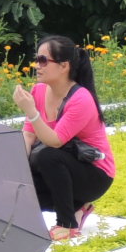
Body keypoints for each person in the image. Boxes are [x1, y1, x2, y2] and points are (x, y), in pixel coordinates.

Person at [12, 35, 116, 241]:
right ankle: (78, 206)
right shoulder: (39, 90)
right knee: (19, 190)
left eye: (43, 60)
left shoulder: (81, 98)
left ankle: (67, 224)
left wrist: (31, 111)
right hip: (65, 167)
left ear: (63, 66)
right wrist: (18, 173)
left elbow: (55, 141)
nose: (36, 66)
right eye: (36, 59)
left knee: (47, 156)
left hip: (94, 175)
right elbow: (29, 134)